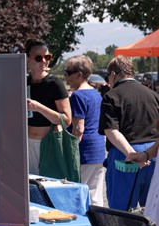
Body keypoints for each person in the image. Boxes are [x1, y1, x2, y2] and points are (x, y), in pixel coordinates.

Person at [99, 55, 159, 211]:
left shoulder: (111, 96)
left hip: (125, 155)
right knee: (152, 210)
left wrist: (132, 154)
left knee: (123, 214)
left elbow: (111, 130)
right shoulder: (153, 95)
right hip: (153, 153)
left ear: (113, 74)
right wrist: (145, 155)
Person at [64, 55, 105, 205]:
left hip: (84, 151)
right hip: (98, 149)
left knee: (80, 195)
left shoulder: (77, 96)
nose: (66, 77)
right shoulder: (96, 93)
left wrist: (71, 151)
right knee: (96, 197)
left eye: (68, 72)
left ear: (79, 75)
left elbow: (78, 129)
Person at [26, 39, 71, 174]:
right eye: (39, 58)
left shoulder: (55, 83)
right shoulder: (24, 81)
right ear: (28, 60)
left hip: (48, 145)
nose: (44, 61)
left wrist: (39, 108)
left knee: (46, 188)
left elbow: (67, 120)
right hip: (25, 143)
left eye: (47, 57)